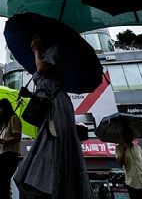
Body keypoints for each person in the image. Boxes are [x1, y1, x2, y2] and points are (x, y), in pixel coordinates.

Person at [13, 30, 95, 199]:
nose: (33, 40)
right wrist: (29, 94)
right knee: (51, 143)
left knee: (54, 143)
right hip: (50, 106)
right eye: (32, 38)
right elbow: (45, 86)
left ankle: (58, 191)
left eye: (36, 36)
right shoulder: (45, 55)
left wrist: (36, 51)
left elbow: (43, 69)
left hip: (58, 106)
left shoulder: (55, 50)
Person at [115, 127, 142, 199]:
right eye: (128, 134)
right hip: (132, 184)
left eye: (131, 134)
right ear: (124, 136)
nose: (131, 136)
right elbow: (120, 163)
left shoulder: (138, 148)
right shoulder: (119, 148)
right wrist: (124, 150)